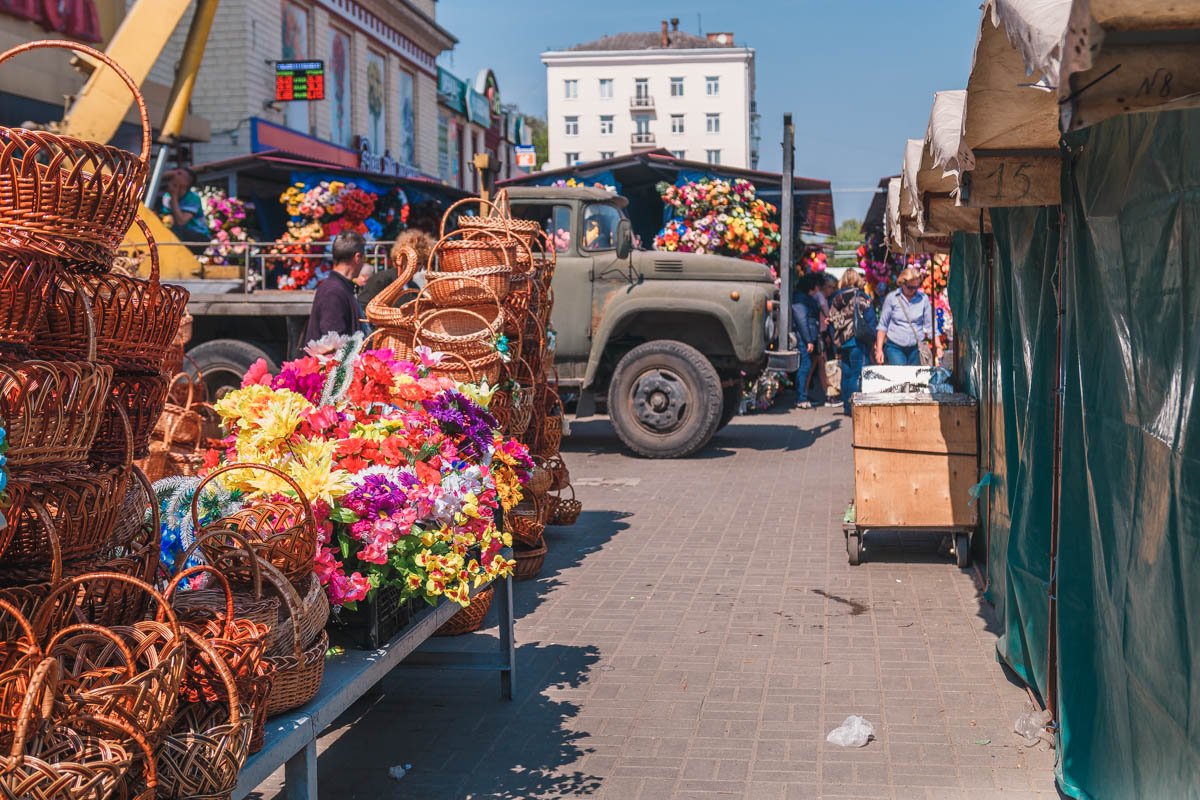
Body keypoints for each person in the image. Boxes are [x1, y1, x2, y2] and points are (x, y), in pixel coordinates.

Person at [304, 231, 367, 343]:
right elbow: (334, 344)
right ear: (357, 258)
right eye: (364, 258)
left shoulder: (339, 287)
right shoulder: (333, 292)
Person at [829, 269, 877, 415]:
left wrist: (835, 341)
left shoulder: (837, 298)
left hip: (843, 341)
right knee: (857, 374)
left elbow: (832, 320)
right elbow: (870, 319)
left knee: (846, 373)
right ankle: (855, 406)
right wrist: (872, 340)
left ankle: (846, 406)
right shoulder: (862, 297)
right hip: (858, 340)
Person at [357, 227, 435, 307]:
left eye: (418, 263)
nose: (413, 266)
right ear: (400, 258)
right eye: (409, 261)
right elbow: (362, 307)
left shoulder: (413, 287)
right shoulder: (381, 280)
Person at [875, 267, 935, 366]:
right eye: (910, 287)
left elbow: (931, 326)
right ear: (902, 283)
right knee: (900, 376)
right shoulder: (892, 298)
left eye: (916, 287)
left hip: (916, 348)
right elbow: (882, 326)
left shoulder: (923, 299)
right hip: (895, 347)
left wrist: (938, 346)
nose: (913, 290)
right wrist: (879, 350)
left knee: (914, 379)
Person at [790, 273, 826, 409]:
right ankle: (801, 398)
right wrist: (809, 340)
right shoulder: (801, 299)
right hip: (805, 336)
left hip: (808, 335)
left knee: (806, 366)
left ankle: (803, 395)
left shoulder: (802, 297)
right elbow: (801, 320)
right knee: (805, 366)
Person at [161, 168, 211, 243]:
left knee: (176, 232)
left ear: (187, 182)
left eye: (179, 173)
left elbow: (181, 221)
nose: (174, 174)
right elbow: (167, 217)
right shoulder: (167, 196)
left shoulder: (193, 198)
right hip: (179, 233)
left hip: (199, 236)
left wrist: (174, 196)